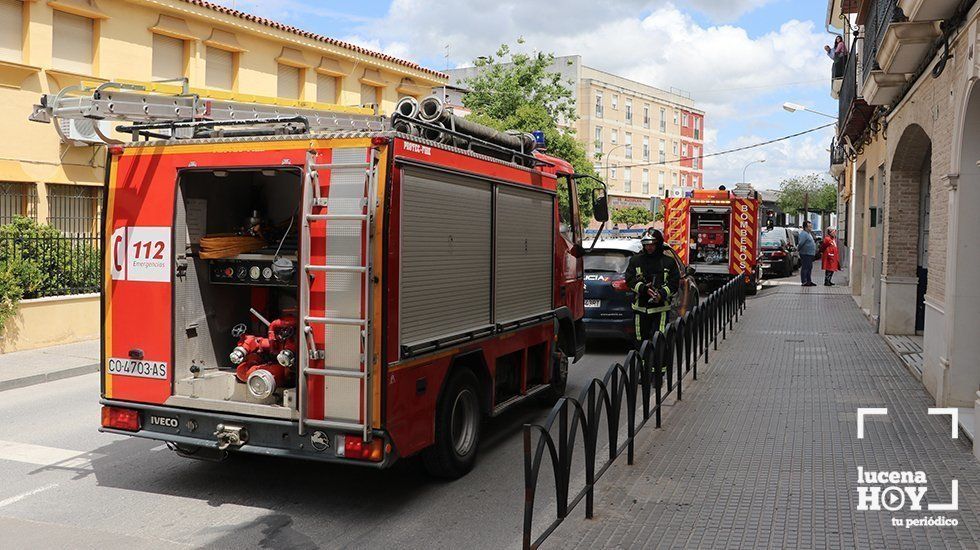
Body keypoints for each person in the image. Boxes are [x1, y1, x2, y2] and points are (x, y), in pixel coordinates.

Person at [626, 230, 680, 349]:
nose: (649, 247)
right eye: (646, 244)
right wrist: (644, 289)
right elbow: (629, 280)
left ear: (658, 244)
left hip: (660, 309)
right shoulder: (636, 261)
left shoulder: (669, 262)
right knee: (640, 342)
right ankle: (642, 367)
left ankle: (660, 367)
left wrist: (660, 294)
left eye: (652, 244)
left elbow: (674, 283)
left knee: (659, 340)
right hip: (640, 309)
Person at [797, 221, 817, 287]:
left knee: (809, 267)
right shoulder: (804, 234)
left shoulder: (808, 234)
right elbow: (800, 243)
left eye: (811, 226)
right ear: (805, 227)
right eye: (809, 226)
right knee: (805, 267)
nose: (811, 227)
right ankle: (804, 281)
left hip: (809, 254)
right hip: (805, 253)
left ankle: (809, 281)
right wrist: (798, 250)